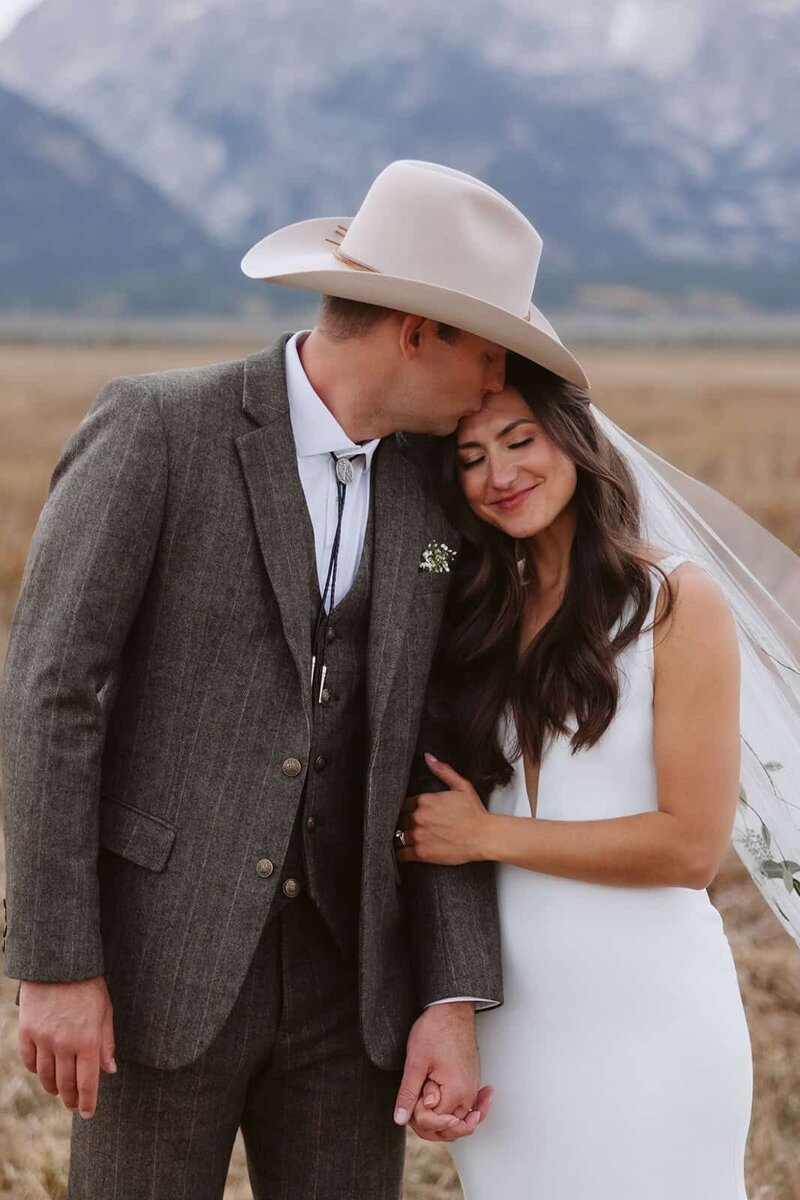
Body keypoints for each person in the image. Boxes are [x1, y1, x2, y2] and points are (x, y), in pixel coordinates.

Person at [0, 160, 589, 1198]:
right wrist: (54, 962)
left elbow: (437, 756)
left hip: (352, 989)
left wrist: (448, 997)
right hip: (155, 970)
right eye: (488, 351)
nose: (494, 384)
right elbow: (51, 696)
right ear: (418, 332)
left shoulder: (432, 487)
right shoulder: (158, 429)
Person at [396, 350, 757, 1198]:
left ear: (574, 438)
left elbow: (690, 849)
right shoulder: (478, 601)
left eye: (520, 441)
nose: (500, 475)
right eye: (471, 459)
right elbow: (411, 567)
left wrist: (484, 834)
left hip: (648, 1013)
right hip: (514, 1023)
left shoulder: (674, 599)